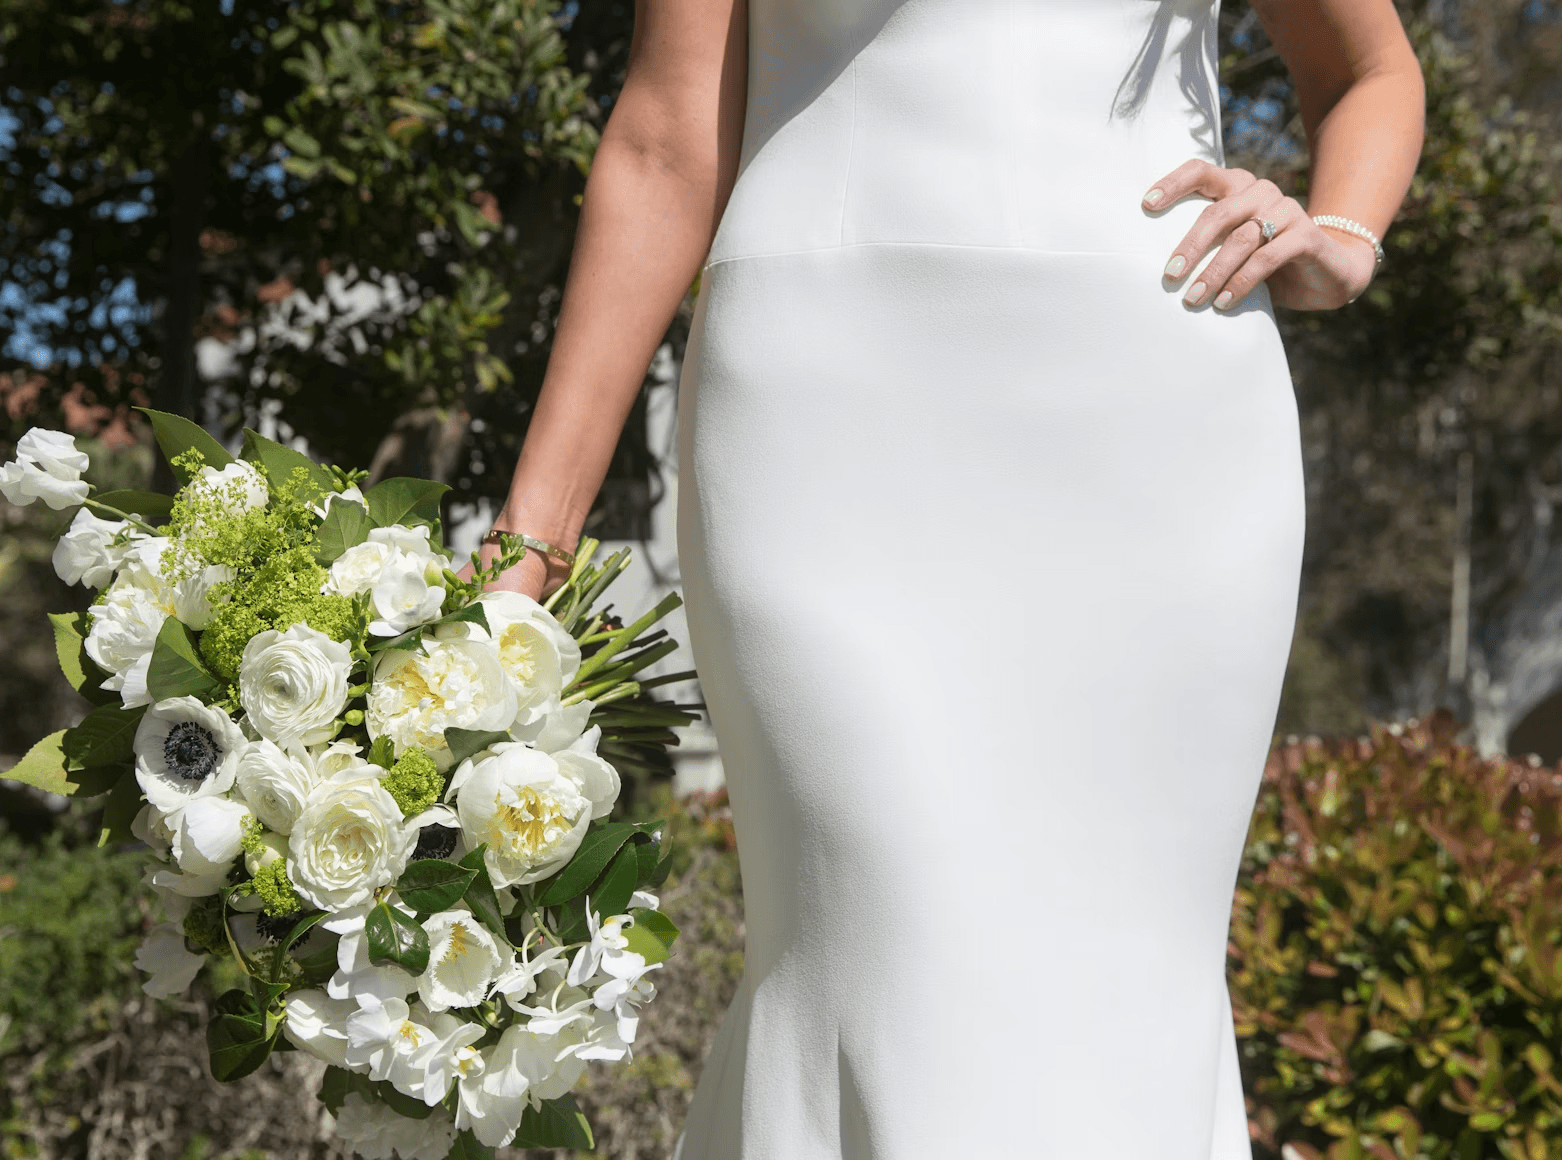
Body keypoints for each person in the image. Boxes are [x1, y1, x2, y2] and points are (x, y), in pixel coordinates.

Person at [475, 0, 1424, 1155]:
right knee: (879, 947)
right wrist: (528, 546)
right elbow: (666, 136)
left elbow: (1371, 69)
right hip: (825, 415)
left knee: (1126, 980)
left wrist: (1342, 233)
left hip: (1158, 415)